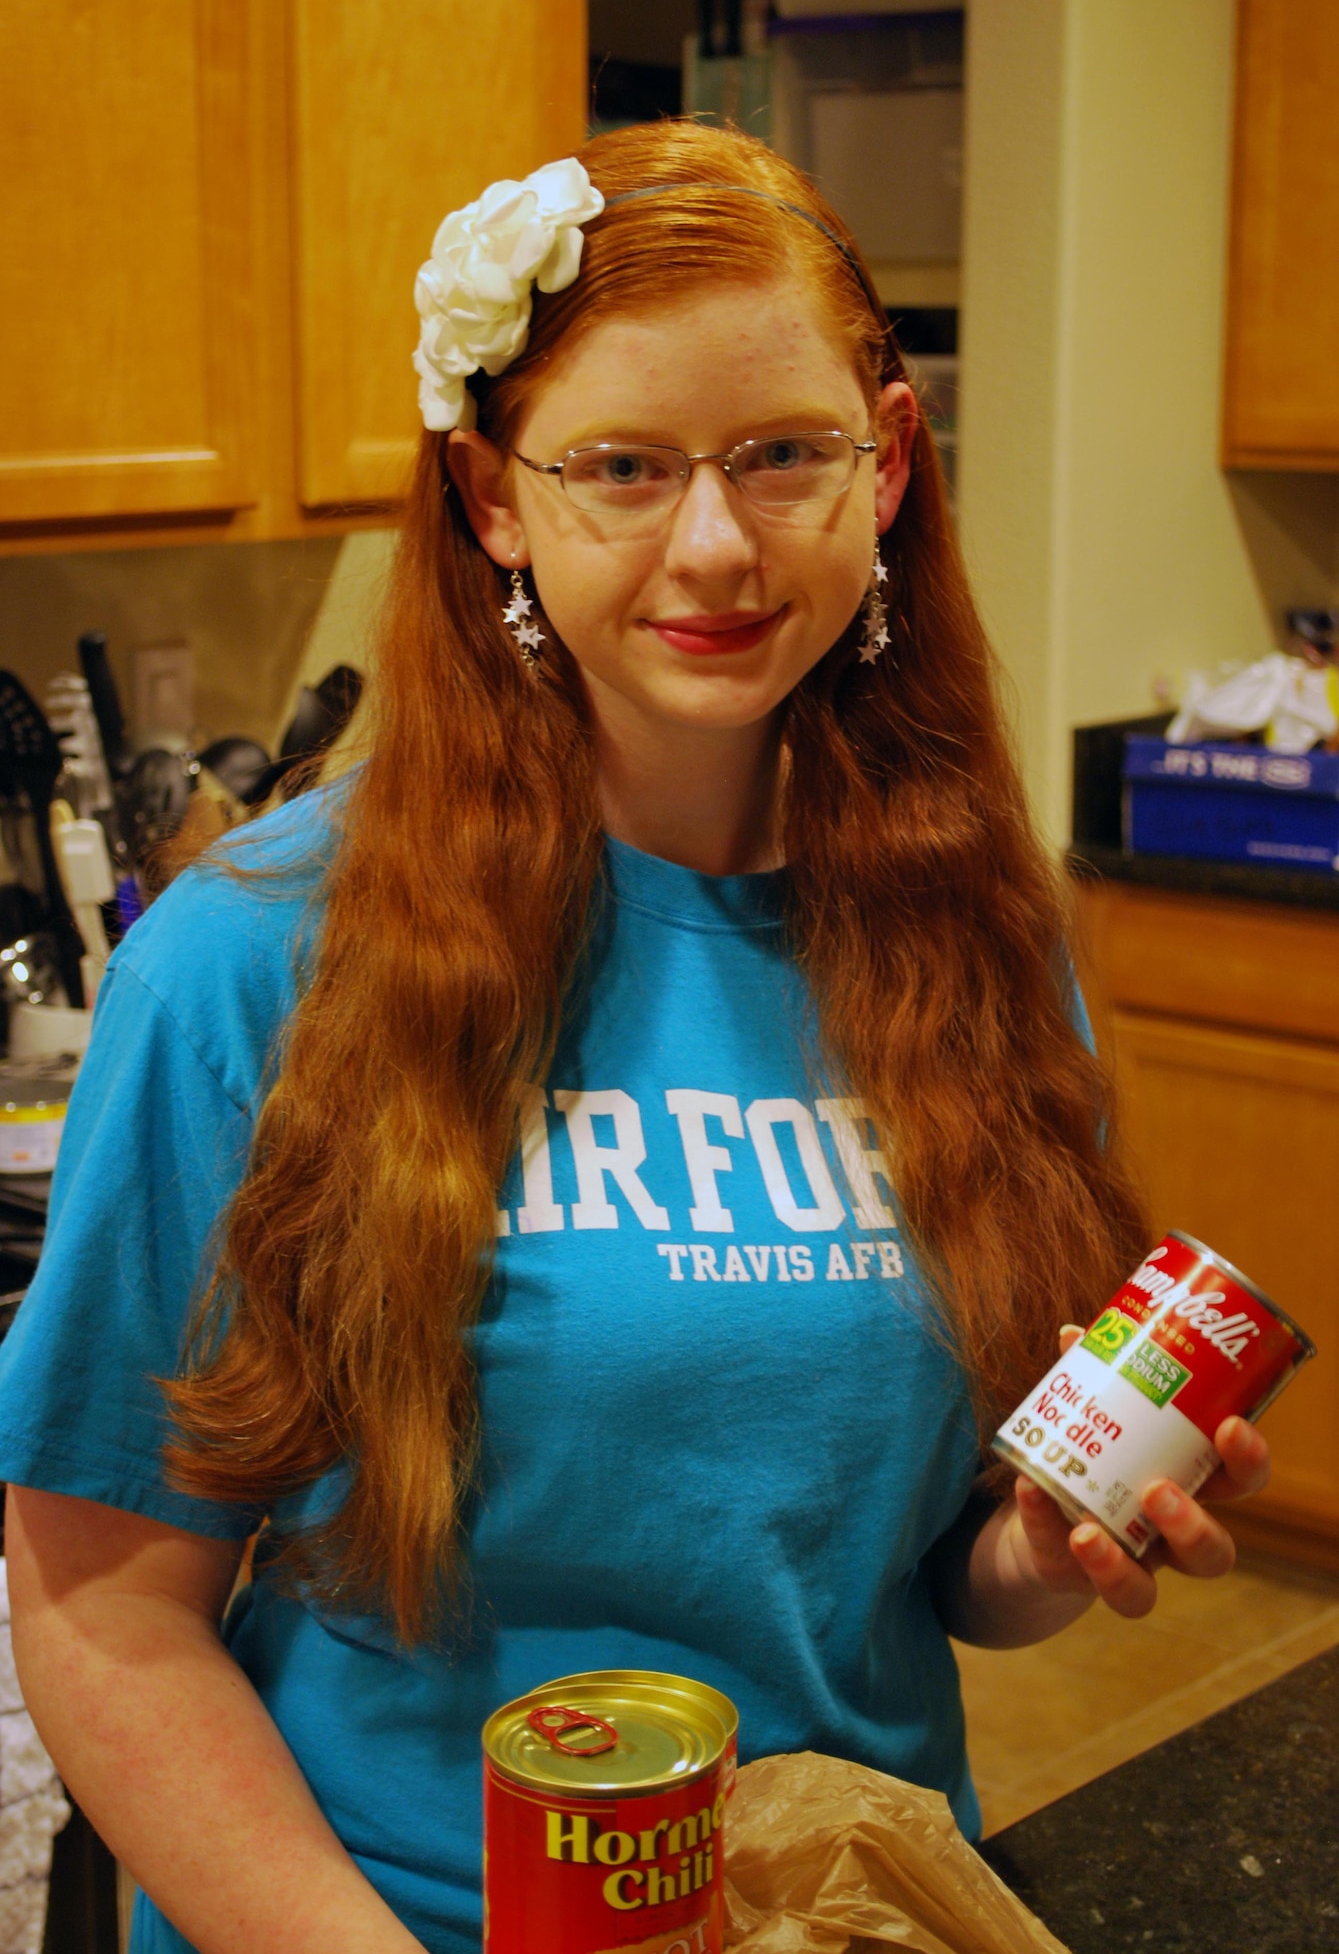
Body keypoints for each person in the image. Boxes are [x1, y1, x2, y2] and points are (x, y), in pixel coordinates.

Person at [0, 123, 1269, 1954]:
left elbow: (924, 1588)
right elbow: (104, 1616)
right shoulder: (257, 961)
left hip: (854, 1907)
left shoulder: (973, 943)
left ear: (887, 466)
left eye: (781, 457)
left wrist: (1060, 1546)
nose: (714, 544)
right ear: (496, 499)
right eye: (621, 466)